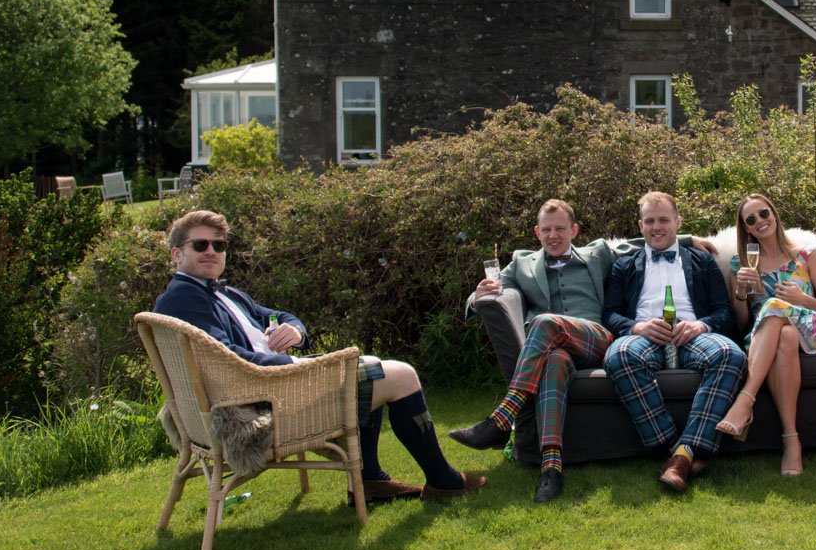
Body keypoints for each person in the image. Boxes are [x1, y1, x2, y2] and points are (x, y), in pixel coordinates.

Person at [153, 210, 486, 505]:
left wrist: (294, 332)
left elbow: (278, 314)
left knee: (371, 369)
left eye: (219, 245)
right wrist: (298, 364)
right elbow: (226, 359)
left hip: (267, 385)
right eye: (201, 245)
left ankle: (370, 481)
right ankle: (443, 481)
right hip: (263, 401)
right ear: (176, 254)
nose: (211, 252)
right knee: (401, 375)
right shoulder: (184, 298)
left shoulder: (223, 291)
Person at [449, 200, 704, 503]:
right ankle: (551, 468)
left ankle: (504, 417)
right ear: (537, 232)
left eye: (559, 229)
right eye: (546, 230)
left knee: (544, 322)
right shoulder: (521, 263)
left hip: (594, 339)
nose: (553, 235)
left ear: (574, 230)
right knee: (554, 361)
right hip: (554, 349)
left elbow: (643, 240)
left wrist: (690, 239)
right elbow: (490, 287)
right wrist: (475, 297)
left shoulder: (596, 253)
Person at [603, 191, 745, 492]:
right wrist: (636, 326)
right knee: (618, 356)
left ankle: (681, 453)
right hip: (645, 337)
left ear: (678, 222)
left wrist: (701, 325)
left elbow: (724, 313)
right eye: (650, 221)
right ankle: (679, 450)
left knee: (730, 354)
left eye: (664, 220)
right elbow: (610, 314)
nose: (657, 227)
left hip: (691, 334)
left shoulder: (703, 261)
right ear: (640, 226)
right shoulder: (623, 265)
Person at [715, 193, 816, 477]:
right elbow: (743, 322)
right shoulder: (741, 265)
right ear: (745, 228)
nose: (760, 221)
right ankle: (791, 441)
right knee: (785, 337)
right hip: (768, 337)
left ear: (774, 214)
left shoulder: (805, 255)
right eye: (751, 219)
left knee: (773, 305)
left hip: (813, 329)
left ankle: (746, 400)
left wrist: (802, 299)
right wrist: (742, 292)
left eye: (764, 213)